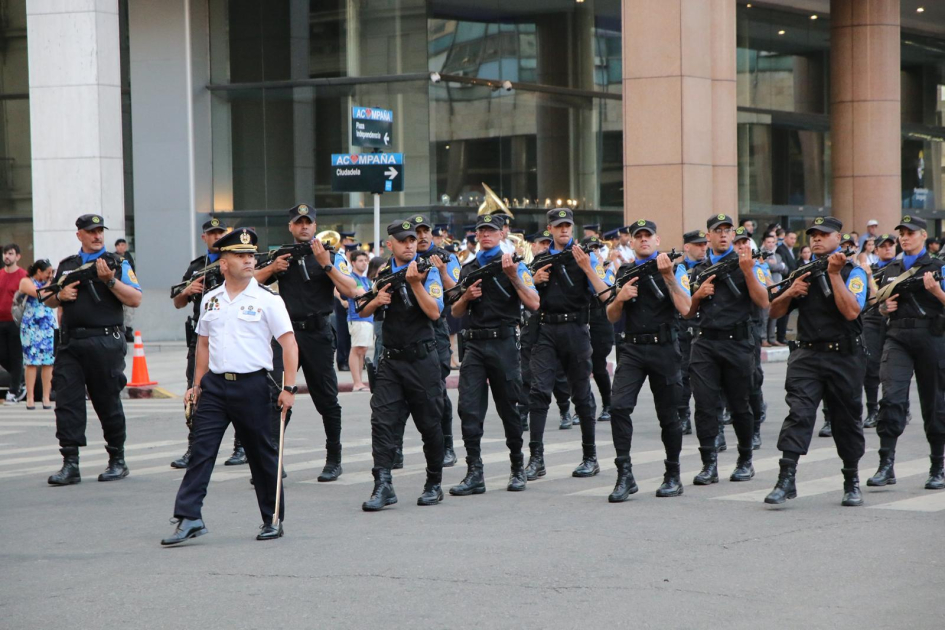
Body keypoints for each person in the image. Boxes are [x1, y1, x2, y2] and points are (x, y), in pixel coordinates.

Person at [161, 228, 298, 545]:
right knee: (200, 451)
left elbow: (288, 344)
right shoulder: (211, 300)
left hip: (253, 386)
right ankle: (189, 516)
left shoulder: (267, 300)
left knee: (262, 456)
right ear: (223, 263)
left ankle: (272, 518)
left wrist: (289, 387)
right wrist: (196, 385)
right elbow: (203, 346)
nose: (249, 260)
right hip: (215, 388)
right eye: (240, 255)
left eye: (251, 255)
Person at [764, 217, 869, 507]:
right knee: (799, 412)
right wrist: (790, 292)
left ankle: (851, 481)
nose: (817, 239)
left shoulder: (853, 272)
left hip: (844, 356)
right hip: (807, 355)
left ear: (839, 238)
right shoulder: (804, 272)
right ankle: (786, 480)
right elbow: (774, 312)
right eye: (813, 235)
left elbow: (851, 311)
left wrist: (834, 275)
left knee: (846, 419)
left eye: (824, 234)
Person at [253, 204, 356, 483]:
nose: (304, 227)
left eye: (308, 222)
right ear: (290, 226)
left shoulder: (331, 255)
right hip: (286, 335)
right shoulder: (280, 256)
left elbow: (352, 290)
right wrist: (273, 268)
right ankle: (273, 460)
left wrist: (326, 264)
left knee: (326, 399)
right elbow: (246, 285)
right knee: (275, 397)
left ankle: (334, 458)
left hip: (318, 333)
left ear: (315, 224)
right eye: (298, 222)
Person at [45, 214, 142, 486]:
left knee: (107, 400)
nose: (97, 235)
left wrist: (110, 281)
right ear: (80, 235)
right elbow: (50, 298)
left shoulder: (117, 263)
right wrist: (60, 296)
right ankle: (70, 463)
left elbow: (135, 298)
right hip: (70, 344)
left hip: (105, 342)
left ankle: (117, 460)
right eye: (91, 231)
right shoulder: (67, 266)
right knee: (67, 403)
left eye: (100, 231)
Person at [359, 219, 447, 511]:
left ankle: (434, 483)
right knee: (382, 422)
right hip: (392, 360)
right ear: (390, 245)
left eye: (413, 239)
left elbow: (434, 312)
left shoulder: (428, 271)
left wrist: (414, 284)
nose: (410, 244)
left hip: (423, 359)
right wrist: (377, 301)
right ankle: (383, 484)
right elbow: (364, 308)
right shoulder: (383, 273)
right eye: (403, 240)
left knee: (430, 424)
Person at [449, 213, 539, 496]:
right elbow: (455, 312)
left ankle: (516, 467)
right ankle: (474, 472)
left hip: (503, 343)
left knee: (509, 407)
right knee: (468, 409)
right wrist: (466, 298)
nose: (486, 235)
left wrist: (513, 277)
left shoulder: (514, 264)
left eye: (491, 231)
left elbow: (534, 303)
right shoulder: (469, 267)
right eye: (482, 231)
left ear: (503, 234)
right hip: (474, 344)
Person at [606, 220, 691, 501]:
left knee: (669, 415)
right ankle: (624, 475)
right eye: (638, 237)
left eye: (648, 236)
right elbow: (612, 317)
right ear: (631, 242)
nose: (643, 240)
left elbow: (686, 308)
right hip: (632, 349)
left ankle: (673, 474)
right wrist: (619, 299)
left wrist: (667, 276)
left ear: (657, 240)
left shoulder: (674, 268)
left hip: (664, 348)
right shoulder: (625, 271)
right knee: (618, 406)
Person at [526, 208, 611, 480]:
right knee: (539, 392)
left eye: (568, 226)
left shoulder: (585, 256)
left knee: (582, 394)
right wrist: (534, 281)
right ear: (549, 229)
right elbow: (525, 297)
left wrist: (587, 267)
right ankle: (536, 459)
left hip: (576, 328)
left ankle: (590, 456)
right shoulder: (540, 259)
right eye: (558, 226)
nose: (564, 230)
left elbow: (605, 293)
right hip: (547, 328)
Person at [685, 213, 769, 486]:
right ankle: (709, 464)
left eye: (727, 230)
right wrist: (697, 296)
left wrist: (747, 271)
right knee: (705, 406)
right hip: (705, 343)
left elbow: (763, 302)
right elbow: (688, 312)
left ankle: (745, 460)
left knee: (739, 406)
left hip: (737, 343)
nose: (722, 235)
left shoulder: (746, 264)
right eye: (717, 230)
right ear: (707, 236)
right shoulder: (698, 270)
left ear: (733, 235)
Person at [867, 214, 945, 492]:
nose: (904, 237)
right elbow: (880, 305)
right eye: (902, 232)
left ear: (923, 236)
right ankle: (886, 465)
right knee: (891, 400)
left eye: (910, 232)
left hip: (932, 337)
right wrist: (883, 308)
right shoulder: (893, 268)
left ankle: (938, 466)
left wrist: (937, 291)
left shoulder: (938, 266)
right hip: (897, 337)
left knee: (935, 404)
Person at [170, 218, 231, 469]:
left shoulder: (235, 261)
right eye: (211, 233)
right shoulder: (197, 266)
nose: (216, 237)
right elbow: (177, 301)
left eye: (220, 233)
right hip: (201, 336)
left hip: (230, 335)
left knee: (239, 391)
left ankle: (240, 447)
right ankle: (193, 447)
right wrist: (188, 290)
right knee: (194, 391)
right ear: (204, 237)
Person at [412, 215, 461, 467]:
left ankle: (448, 445)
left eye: (425, 231)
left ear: (432, 233)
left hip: (434, 328)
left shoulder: (446, 257)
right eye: (416, 232)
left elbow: (456, 293)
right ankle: (396, 451)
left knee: (438, 389)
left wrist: (441, 272)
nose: (421, 236)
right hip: (407, 329)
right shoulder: (403, 256)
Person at [520, 231, 574, 433]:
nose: (544, 247)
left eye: (546, 243)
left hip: (553, 325)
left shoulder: (560, 264)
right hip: (532, 325)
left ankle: (564, 410)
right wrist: (533, 280)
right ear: (532, 246)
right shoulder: (525, 268)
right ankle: (523, 412)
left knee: (558, 373)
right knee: (526, 372)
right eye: (540, 243)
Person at [735, 228, 771, 450]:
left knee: (752, 379)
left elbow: (764, 297)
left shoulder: (756, 269)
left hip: (751, 329)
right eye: (737, 244)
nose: (741, 248)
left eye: (744, 244)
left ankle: (755, 427)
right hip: (730, 332)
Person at [862, 233, 897, 429]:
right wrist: (868, 276)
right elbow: (872, 300)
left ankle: (900, 407)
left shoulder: (901, 269)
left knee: (895, 367)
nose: (887, 249)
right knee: (871, 366)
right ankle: (872, 409)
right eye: (883, 246)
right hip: (873, 320)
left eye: (891, 245)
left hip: (894, 321)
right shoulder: (870, 271)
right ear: (876, 250)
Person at [677, 229, 708, 435]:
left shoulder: (711, 268)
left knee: (706, 375)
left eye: (704, 244)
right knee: (682, 374)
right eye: (698, 244)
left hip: (703, 326)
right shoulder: (676, 269)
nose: (703, 247)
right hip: (682, 326)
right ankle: (683, 415)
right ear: (687, 247)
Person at [17, 259, 58, 409]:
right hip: (31, 325)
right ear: (39, 271)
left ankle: (46, 397)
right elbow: (39, 294)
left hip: (47, 325)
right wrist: (51, 282)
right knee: (31, 362)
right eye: (48, 272)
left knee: (48, 362)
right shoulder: (26, 281)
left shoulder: (50, 283)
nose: (50, 275)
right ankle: (30, 397)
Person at [584, 235, 615, 424]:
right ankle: (584, 406)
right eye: (590, 250)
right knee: (579, 367)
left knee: (598, 364)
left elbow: (604, 291)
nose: (594, 253)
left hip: (600, 322)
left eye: (597, 249)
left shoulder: (608, 271)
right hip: (583, 320)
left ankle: (608, 404)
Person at [1, 243, 28, 403]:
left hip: (16, 322)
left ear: (18, 256)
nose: (7, 257)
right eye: (5, 253)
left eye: (10, 253)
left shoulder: (23, 276)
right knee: (3, 356)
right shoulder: (0, 275)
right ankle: (22, 380)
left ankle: (14, 390)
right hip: (0, 321)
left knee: (16, 356)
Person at [346, 250, 373, 392]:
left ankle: (360, 382)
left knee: (362, 350)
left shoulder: (366, 279)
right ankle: (356, 382)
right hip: (357, 318)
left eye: (365, 260)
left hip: (368, 318)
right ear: (353, 263)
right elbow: (364, 295)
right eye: (360, 260)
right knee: (357, 349)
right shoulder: (352, 278)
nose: (364, 263)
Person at [760, 233, 787, 346]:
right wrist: (779, 266)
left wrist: (779, 266)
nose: (771, 244)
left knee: (774, 315)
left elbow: (786, 270)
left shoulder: (778, 256)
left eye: (772, 242)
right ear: (764, 243)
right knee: (765, 315)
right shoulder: (761, 255)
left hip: (778, 288)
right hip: (766, 288)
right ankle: (763, 338)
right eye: (768, 242)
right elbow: (769, 267)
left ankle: (772, 338)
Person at [775, 231, 799, 344]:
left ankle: (782, 334)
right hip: (785, 282)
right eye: (791, 238)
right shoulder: (781, 249)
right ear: (785, 238)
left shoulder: (791, 250)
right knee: (783, 311)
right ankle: (780, 335)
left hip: (791, 281)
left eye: (795, 238)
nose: (793, 241)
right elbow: (785, 268)